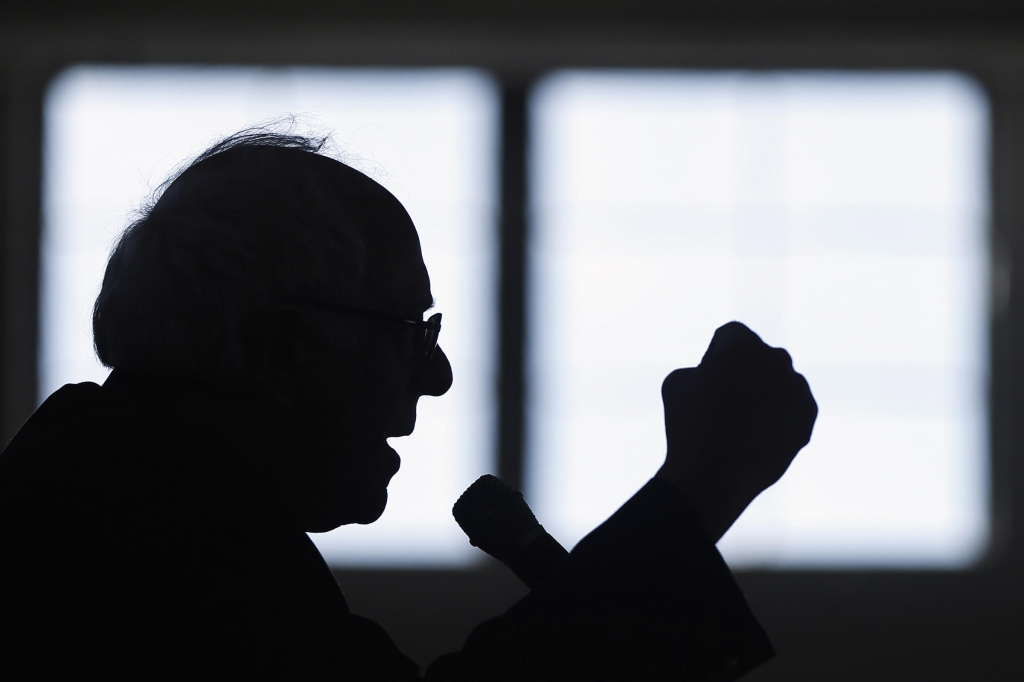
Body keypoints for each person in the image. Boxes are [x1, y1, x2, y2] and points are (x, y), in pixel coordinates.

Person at [0, 131, 817, 680]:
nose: (438, 377)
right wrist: (702, 484)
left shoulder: (117, 488)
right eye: (404, 331)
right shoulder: (139, 534)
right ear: (281, 349)